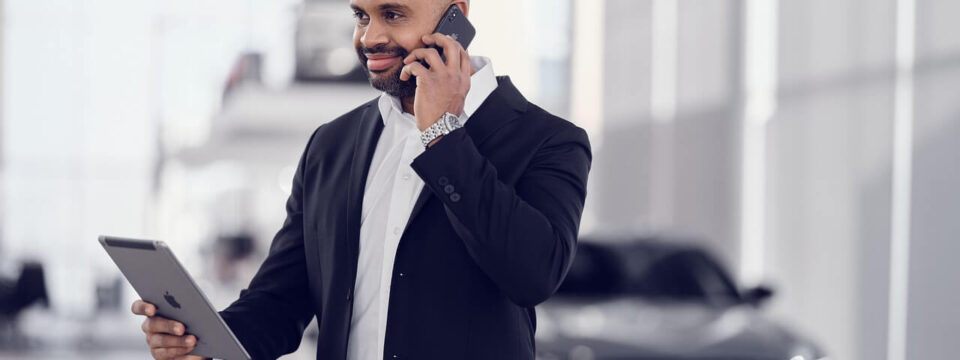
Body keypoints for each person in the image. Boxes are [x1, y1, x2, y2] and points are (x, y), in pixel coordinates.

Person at [131, 0, 592, 359]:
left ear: (457, 15)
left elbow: (533, 274)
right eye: (360, 16)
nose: (370, 37)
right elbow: (280, 300)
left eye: (392, 14)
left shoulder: (548, 140)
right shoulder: (332, 145)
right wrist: (203, 344)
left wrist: (443, 133)